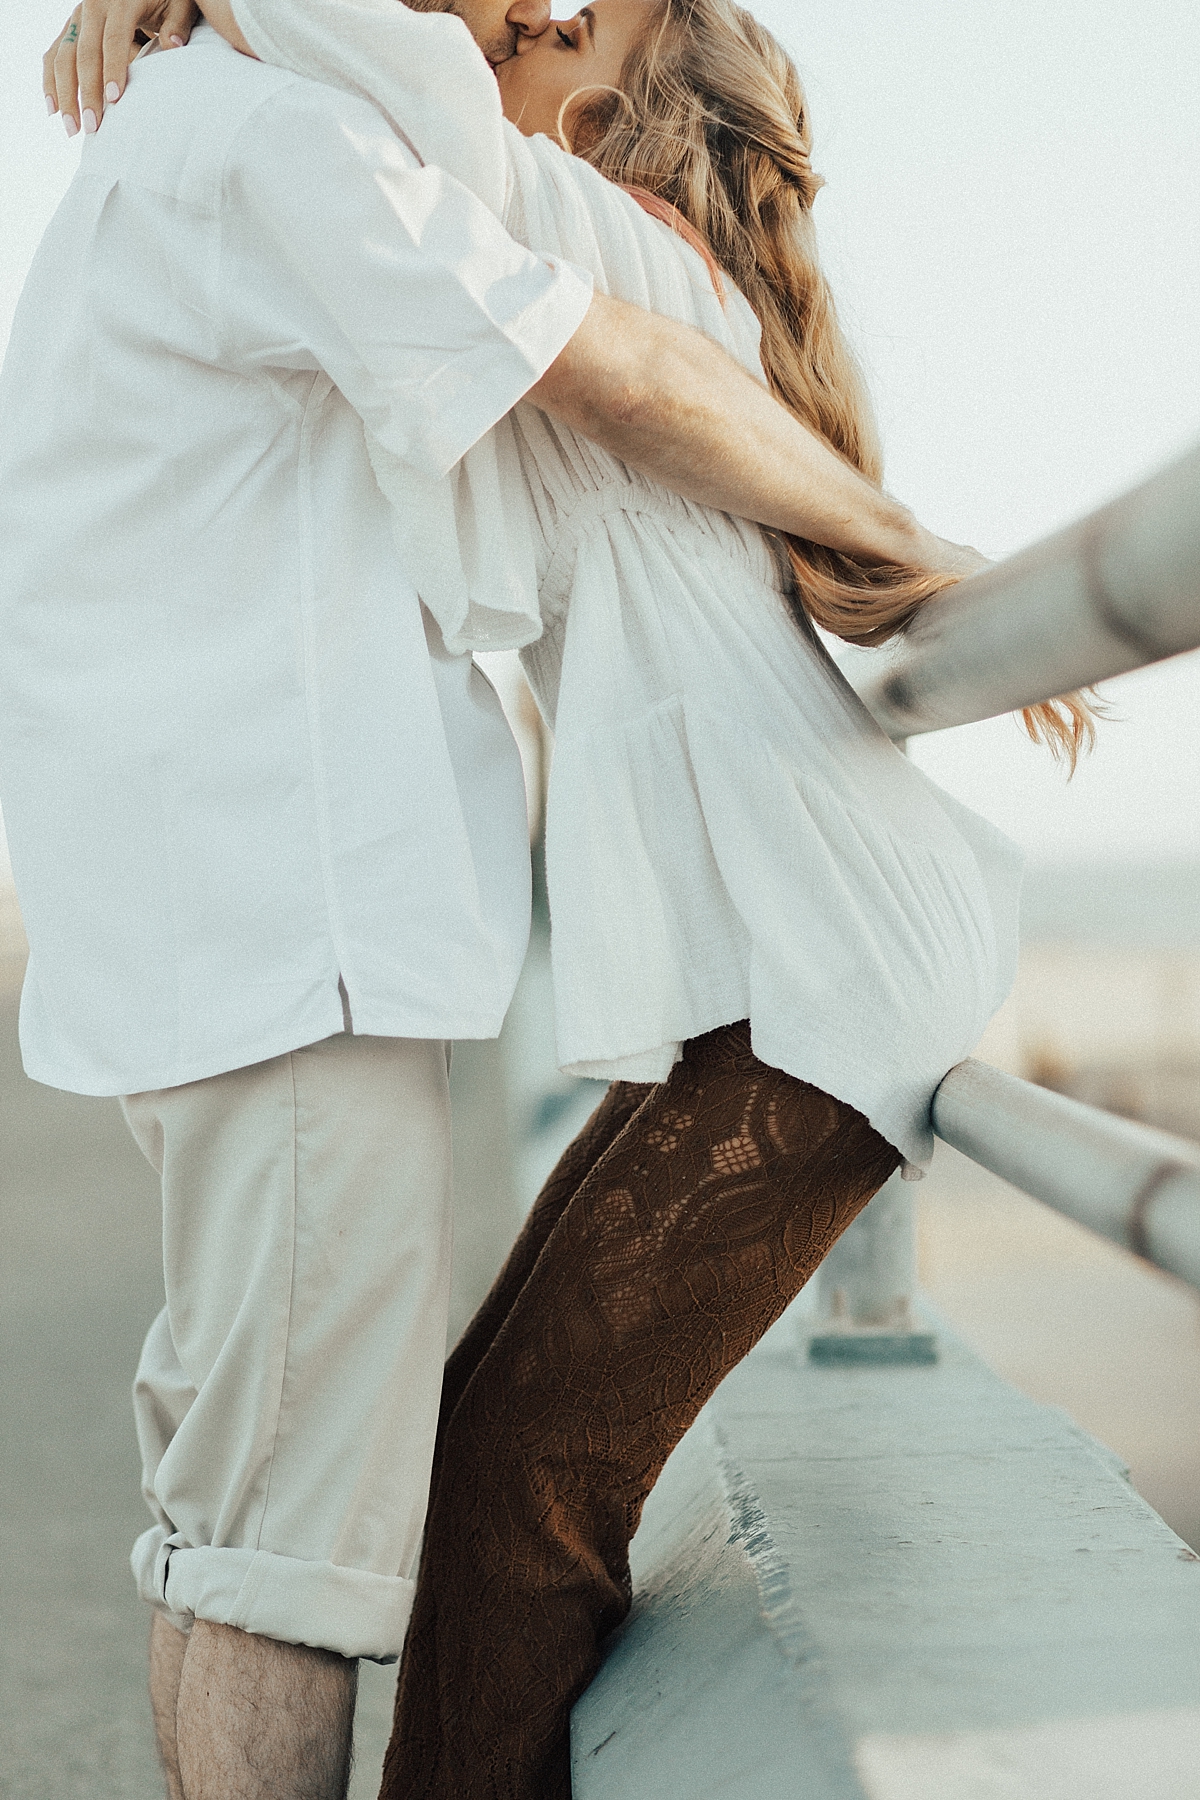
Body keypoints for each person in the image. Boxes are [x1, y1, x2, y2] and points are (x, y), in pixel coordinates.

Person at [13, 5, 979, 1800]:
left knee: (419, 1501)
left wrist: (907, 552)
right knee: (379, 1503)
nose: (516, 14)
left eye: (562, 20)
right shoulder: (368, 162)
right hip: (569, 956)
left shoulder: (524, 207)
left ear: (606, 103)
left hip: (790, 968)